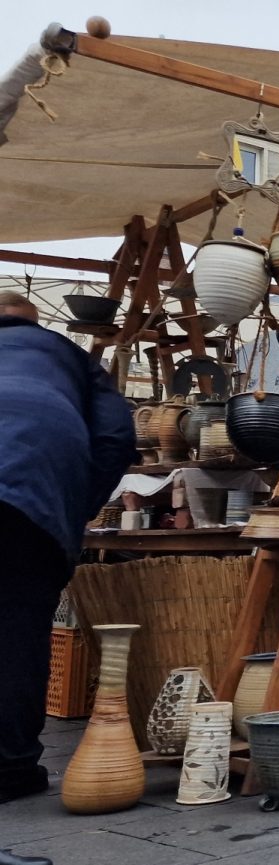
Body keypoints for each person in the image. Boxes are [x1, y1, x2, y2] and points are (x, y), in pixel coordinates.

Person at [0, 291, 136, 809]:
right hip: (32, 496)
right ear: (37, 324)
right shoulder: (70, 358)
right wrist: (73, 507)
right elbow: (116, 438)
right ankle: (11, 769)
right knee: (17, 631)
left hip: (29, 486)